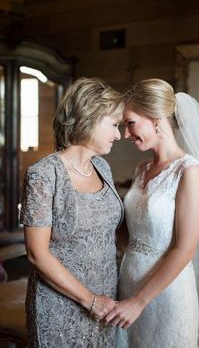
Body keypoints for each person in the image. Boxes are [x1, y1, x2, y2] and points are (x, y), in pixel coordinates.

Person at [105, 78, 199, 348]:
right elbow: (130, 231)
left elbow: (185, 249)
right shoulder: (141, 169)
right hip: (127, 281)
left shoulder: (189, 170)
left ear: (155, 118)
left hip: (165, 294)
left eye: (130, 123)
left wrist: (138, 302)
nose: (126, 135)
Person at [20, 77, 124, 348]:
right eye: (114, 125)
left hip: (105, 304)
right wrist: (89, 300)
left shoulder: (103, 167)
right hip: (59, 305)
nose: (119, 135)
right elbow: (36, 254)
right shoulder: (43, 175)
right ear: (90, 116)